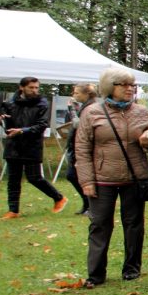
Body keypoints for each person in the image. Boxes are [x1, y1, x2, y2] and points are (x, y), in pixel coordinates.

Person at [74, 69, 148, 287]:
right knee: (100, 225)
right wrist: (86, 181)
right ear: (109, 87)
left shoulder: (141, 112)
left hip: (134, 177)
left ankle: (132, 269)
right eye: (124, 85)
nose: (130, 89)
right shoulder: (92, 112)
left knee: (134, 225)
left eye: (132, 85)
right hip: (102, 179)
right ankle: (96, 273)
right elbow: (82, 148)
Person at [0, 76, 67, 219]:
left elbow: (42, 125)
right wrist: (3, 121)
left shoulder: (42, 104)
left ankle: (59, 198)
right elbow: (8, 128)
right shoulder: (10, 103)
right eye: (31, 87)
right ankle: (13, 210)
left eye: (36, 87)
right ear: (21, 87)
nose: (35, 90)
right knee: (13, 179)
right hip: (13, 145)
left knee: (34, 177)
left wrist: (23, 131)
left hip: (32, 145)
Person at [62, 83, 98, 216]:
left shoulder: (92, 107)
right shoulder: (85, 106)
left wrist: (71, 109)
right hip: (76, 146)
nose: (74, 95)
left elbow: (79, 124)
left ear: (87, 94)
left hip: (85, 147)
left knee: (76, 175)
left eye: (77, 93)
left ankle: (91, 205)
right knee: (72, 175)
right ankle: (87, 203)